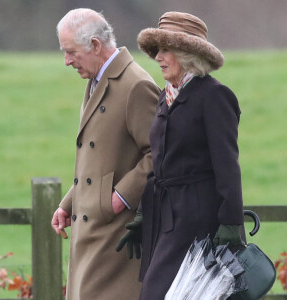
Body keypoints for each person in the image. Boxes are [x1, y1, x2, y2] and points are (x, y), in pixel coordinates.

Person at [116, 11, 246, 299]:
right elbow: (160, 160)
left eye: (166, 50)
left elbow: (227, 164)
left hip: (199, 219)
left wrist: (231, 222)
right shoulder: (166, 96)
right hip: (164, 216)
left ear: (187, 54)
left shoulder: (214, 96)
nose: (158, 57)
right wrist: (142, 213)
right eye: (157, 50)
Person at [51, 8, 160, 300]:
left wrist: (119, 197)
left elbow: (159, 152)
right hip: (89, 234)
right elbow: (96, 159)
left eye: (71, 52)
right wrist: (68, 204)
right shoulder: (96, 80)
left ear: (96, 46)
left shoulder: (135, 84)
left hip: (114, 239)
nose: (67, 61)